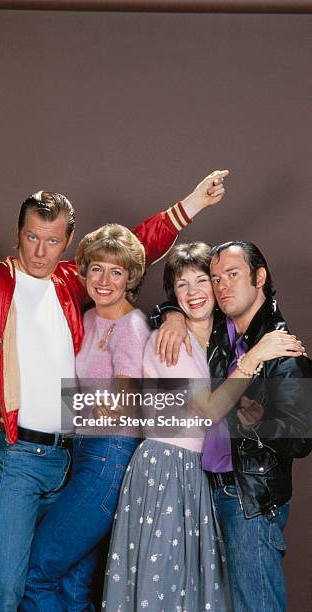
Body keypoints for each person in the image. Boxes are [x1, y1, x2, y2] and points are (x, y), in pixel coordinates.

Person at [0, 172, 228, 612]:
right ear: (18, 234)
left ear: (69, 243)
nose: (40, 252)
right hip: (21, 456)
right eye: (31, 238)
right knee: (10, 581)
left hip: (72, 456)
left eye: (52, 240)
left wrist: (192, 205)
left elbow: (130, 251)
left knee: (65, 583)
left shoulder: (70, 280)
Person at [102, 242, 303, 612]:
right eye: (183, 285)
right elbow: (211, 410)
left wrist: (260, 419)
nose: (196, 291)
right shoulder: (175, 341)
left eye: (203, 281)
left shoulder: (235, 338)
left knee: (206, 590)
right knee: (166, 581)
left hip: (224, 484)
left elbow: (299, 433)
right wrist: (170, 316)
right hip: (171, 469)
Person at [21, 223, 154, 611]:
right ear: (83, 271)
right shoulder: (90, 318)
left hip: (108, 458)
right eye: (96, 268)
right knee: (73, 588)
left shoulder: (131, 326)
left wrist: (56, 406)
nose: (105, 280)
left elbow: (124, 404)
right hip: (82, 455)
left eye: (116, 271)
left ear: (130, 277)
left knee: (37, 574)